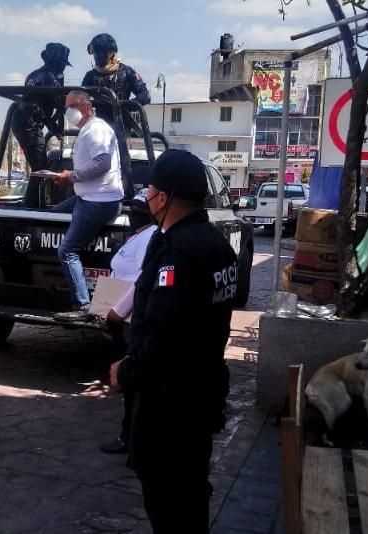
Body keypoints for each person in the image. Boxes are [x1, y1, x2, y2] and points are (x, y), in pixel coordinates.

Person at [109, 150, 236, 533]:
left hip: (170, 406)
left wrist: (125, 370)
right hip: (201, 394)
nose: (146, 198)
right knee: (191, 497)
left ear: (162, 198)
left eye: (149, 190)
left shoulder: (179, 253)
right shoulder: (216, 244)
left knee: (169, 504)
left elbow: (164, 338)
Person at [51, 90, 124, 321]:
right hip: (88, 197)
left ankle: (82, 306)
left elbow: (102, 164)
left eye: (71, 105)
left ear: (85, 107)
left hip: (99, 201)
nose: (67, 111)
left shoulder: (97, 129)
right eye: (66, 106)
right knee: (52, 217)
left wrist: (71, 176)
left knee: (67, 250)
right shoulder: (87, 130)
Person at [101, 189, 156, 455]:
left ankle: (131, 438)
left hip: (130, 319)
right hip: (119, 318)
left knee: (132, 383)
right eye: (132, 209)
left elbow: (141, 282)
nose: (133, 214)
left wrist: (117, 311)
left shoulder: (150, 238)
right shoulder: (137, 236)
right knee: (126, 384)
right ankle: (129, 435)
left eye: (139, 210)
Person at [10, 43, 71, 208]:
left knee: (40, 166)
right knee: (40, 167)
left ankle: (33, 202)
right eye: (62, 64)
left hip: (26, 121)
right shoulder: (49, 78)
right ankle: (31, 203)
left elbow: (43, 108)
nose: (63, 69)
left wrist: (54, 127)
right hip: (29, 123)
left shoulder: (35, 74)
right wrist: (55, 127)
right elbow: (57, 104)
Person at [82, 33, 150, 130]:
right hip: (99, 127)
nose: (97, 57)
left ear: (111, 53)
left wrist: (124, 106)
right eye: (95, 53)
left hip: (121, 127)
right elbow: (80, 98)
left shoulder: (127, 72)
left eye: (101, 53)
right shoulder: (90, 76)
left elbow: (145, 96)